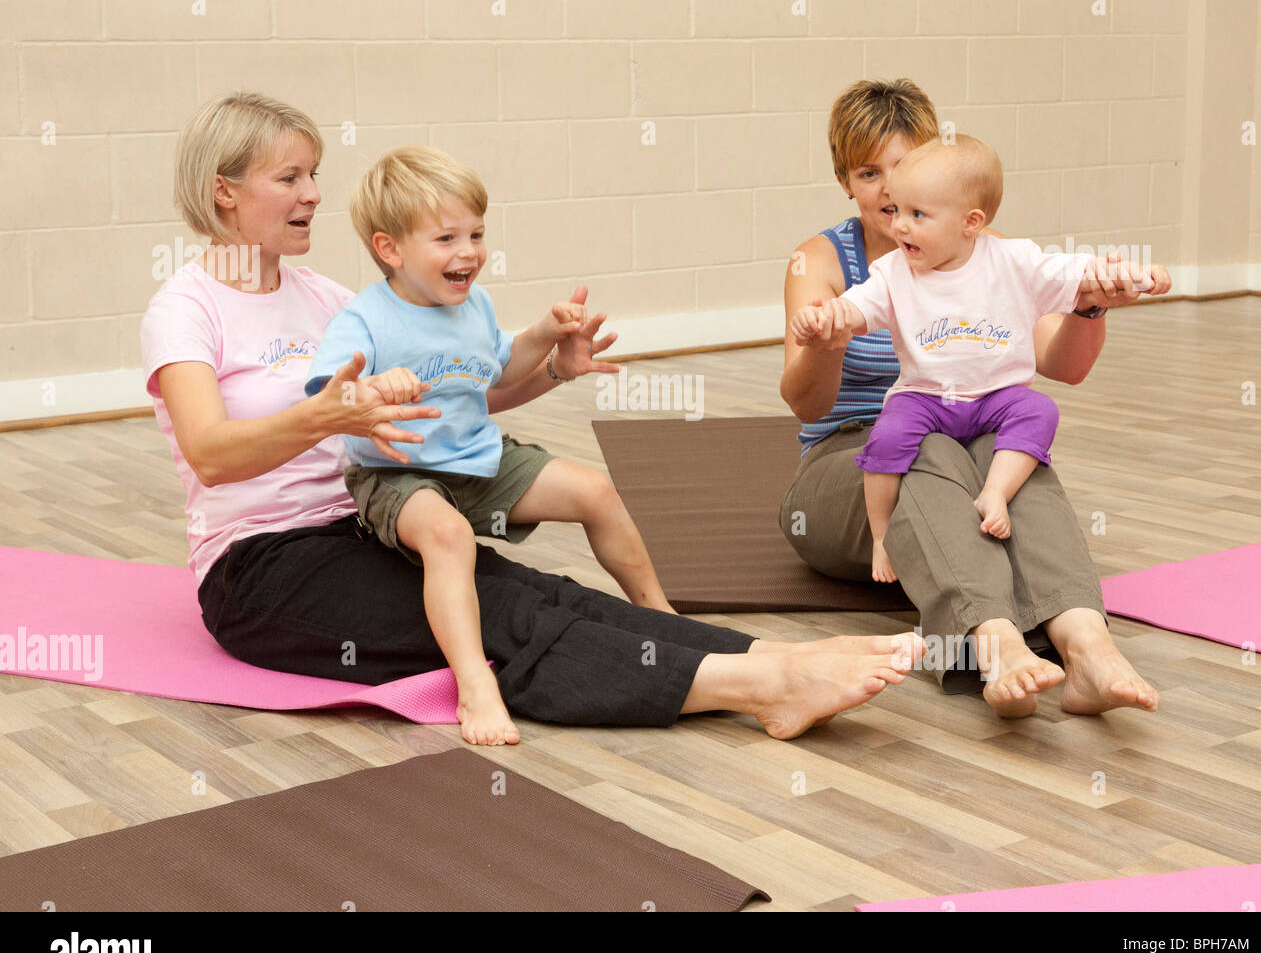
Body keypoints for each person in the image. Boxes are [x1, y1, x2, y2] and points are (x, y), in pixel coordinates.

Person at [141, 90, 921, 746]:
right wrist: (324, 415)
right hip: (261, 567)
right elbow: (210, 454)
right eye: (291, 177)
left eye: (314, 174)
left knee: (544, 590)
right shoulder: (186, 307)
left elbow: (451, 405)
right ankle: (765, 684)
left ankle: (760, 653)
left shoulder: (326, 298)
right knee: (508, 615)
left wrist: (550, 369)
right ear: (225, 191)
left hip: (362, 524)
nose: (314, 193)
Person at [780, 78, 1165, 718]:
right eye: (868, 172)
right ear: (845, 180)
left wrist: (1092, 305)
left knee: (1018, 456)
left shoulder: (983, 253)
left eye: (904, 168)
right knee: (928, 445)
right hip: (852, 463)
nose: (887, 190)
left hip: (963, 446)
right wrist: (828, 336)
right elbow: (807, 406)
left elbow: (1060, 368)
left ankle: (1089, 648)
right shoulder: (824, 261)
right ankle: (993, 644)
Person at [305, 145, 677, 746]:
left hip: (476, 457)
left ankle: (659, 615)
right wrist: (370, 388)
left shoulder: (473, 304)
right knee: (449, 537)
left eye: (476, 234)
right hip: (398, 475)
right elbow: (326, 394)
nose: (470, 253)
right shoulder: (364, 319)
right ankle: (475, 687)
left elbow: (501, 371)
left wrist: (548, 335)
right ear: (390, 249)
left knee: (596, 490)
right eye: (447, 238)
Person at [790, 134, 1156, 585]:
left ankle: (1064, 605)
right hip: (901, 417)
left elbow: (1075, 279)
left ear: (969, 219)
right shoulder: (878, 271)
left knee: (1034, 426)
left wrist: (1118, 283)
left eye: (914, 204)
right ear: (844, 180)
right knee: (919, 446)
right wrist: (825, 326)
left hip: (983, 409)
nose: (893, 203)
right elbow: (851, 311)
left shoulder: (1003, 257)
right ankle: (897, 547)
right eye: (869, 174)